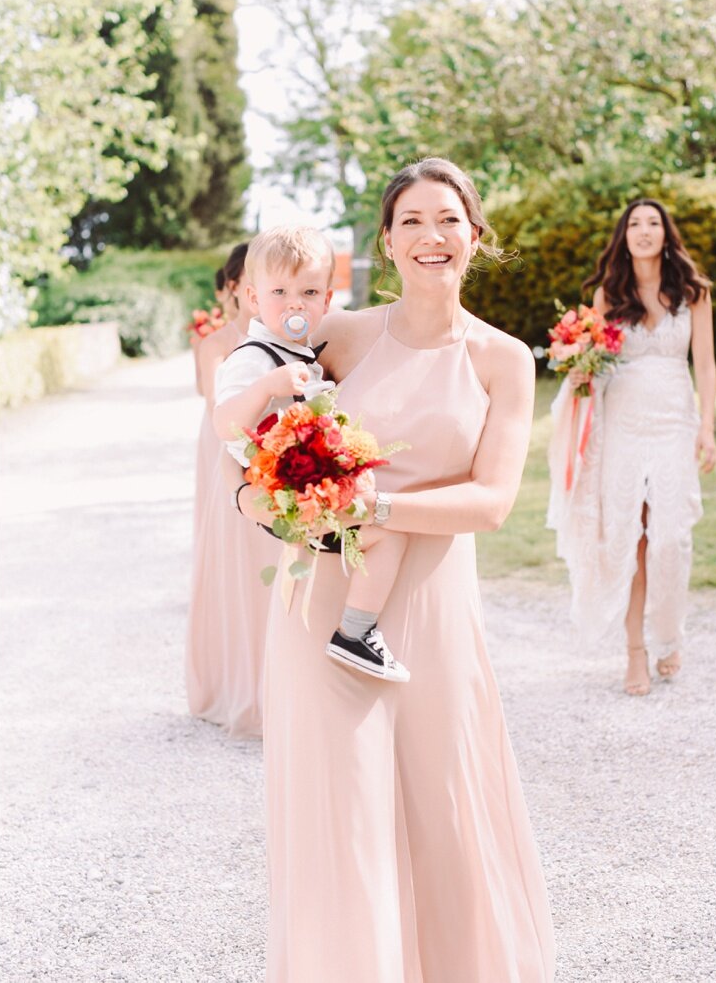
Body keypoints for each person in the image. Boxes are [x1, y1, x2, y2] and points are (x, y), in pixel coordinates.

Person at [255, 159, 554, 981]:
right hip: (323, 598)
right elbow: (252, 428)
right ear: (386, 241)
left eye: (449, 219)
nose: (432, 236)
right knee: (341, 815)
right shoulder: (342, 334)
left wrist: (373, 506)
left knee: (443, 810)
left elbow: (493, 501)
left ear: (476, 235)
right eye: (412, 221)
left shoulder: (502, 359)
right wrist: (269, 497)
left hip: (434, 607)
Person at [213, 225, 412, 683]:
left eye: (308, 292)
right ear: (253, 297)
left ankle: (355, 626)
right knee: (390, 532)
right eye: (279, 291)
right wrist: (267, 387)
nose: (294, 303)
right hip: (284, 494)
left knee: (378, 519)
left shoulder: (297, 352)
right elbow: (225, 425)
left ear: (326, 302)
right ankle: (355, 633)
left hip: (303, 485)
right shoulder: (253, 358)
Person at [549, 198, 716, 696]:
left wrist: (706, 427)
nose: (644, 231)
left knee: (670, 538)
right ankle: (635, 653)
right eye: (635, 224)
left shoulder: (693, 292)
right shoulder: (609, 294)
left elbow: (704, 366)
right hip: (621, 425)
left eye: (653, 224)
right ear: (624, 236)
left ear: (667, 234)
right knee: (630, 539)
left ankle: (669, 635)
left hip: (673, 422)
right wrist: (575, 358)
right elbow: (591, 359)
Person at [185, 243, 273, 737]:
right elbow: (215, 397)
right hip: (227, 443)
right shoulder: (217, 343)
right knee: (233, 548)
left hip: (271, 440)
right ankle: (236, 681)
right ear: (236, 288)